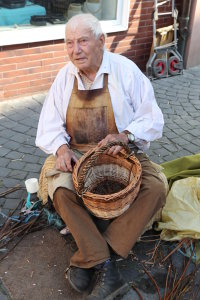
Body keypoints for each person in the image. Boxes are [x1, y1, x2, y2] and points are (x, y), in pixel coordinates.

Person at [36, 13, 166, 300]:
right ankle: (107, 264)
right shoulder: (64, 77)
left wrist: (128, 135)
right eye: (69, 43)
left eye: (82, 41)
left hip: (121, 153)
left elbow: (152, 118)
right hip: (79, 153)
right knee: (59, 188)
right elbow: (49, 124)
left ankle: (91, 256)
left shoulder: (125, 71)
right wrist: (61, 149)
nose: (75, 50)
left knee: (156, 187)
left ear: (101, 41)